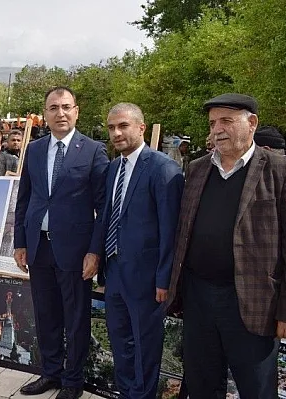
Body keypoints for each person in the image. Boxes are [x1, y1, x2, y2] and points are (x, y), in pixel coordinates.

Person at [166, 93, 286, 398]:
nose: (217, 129)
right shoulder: (198, 169)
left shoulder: (282, 170)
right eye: (213, 123)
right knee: (201, 383)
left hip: (251, 302)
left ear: (252, 123)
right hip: (198, 297)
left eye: (226, 120)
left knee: (256, 388)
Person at [14, 86, 108, 399]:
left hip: (76, 251)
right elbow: (24, 198)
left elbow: (103, 209)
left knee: (75, 318)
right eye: (53, 107)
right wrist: (19, 242)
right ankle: (50, 373)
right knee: (46, 314)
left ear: (76, 111)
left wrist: (95, 251)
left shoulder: (93, 150)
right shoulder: (36, 149)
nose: (60, 113)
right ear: (46, 114)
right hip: (39, 247)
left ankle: (73, 381)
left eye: (66, 106)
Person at [101, 103, 184, 398]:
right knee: (120, 340)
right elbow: (110, 216)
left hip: (147, 279)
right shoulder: (113, 169)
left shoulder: (163, 169)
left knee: (146, 347)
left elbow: (171, 230)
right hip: (114, 272)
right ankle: (126, 392)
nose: (116, 133)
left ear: (141, 128)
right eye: (111, 128)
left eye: (123, 126)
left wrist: (164, 279)